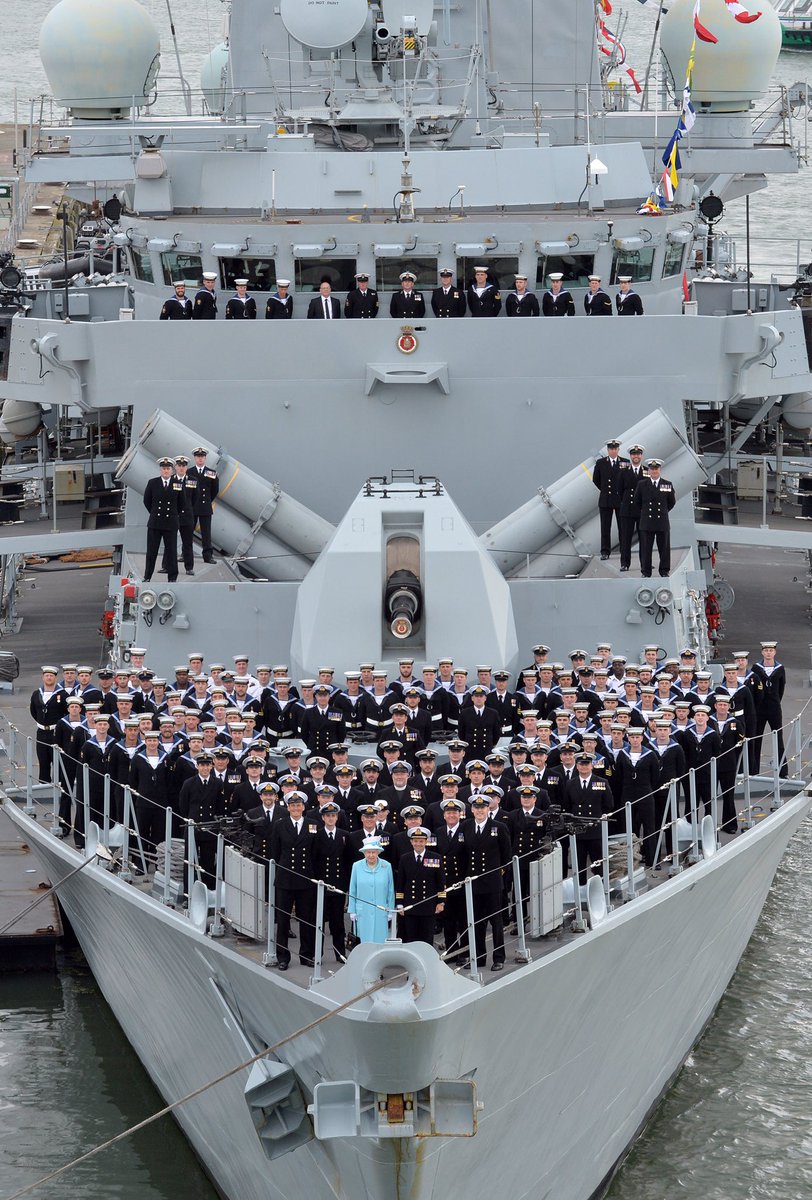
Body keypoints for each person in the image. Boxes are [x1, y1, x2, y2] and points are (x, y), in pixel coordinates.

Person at [462, 795, 511, 971]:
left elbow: (506, 855)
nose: (480, 810)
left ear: (488, 809)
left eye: (483, 807)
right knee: (476, 922)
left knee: (496, 922)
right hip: (474, 882)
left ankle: (499, 957)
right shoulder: (466, 827)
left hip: (492, 883)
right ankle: (479, 957)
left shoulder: (499, 827)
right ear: (472, 809)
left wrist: (500, 875)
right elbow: (463, 855)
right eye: (477, 807)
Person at [270, 791, 318, 969]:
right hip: (285, 879)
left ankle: (306, 955)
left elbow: (314, 852)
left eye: (298, 805)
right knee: (282, 921)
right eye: (292, 805)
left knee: (306, 920)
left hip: (305, 879)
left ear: (303, 807)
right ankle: (283, 957)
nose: (296, 808)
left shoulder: (313, 825)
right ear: (288, 807)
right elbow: (275, 851)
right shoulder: (280, 825)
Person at [396, 827, 445, 946]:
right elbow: (401, 882)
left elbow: (441, 882)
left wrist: (441, 902)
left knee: (427, 939)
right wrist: (400, 903)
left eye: (421, 841)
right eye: (416, 841)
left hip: (428, 905)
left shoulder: (435, 857)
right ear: (411, 842)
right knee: (410, 938)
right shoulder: (405, 858)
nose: (418, 843)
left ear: (426, 841)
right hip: (410, 905)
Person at [749, 640, 787, 777]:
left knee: (778, 739)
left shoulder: (780, 669)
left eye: (771, 650)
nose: (768, 653)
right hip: (759, 709)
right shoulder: (756, 668)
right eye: (766, 650)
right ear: (762, 652)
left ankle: (783, 771)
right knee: (756, 739)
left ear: (775, 652)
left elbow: (781, 688)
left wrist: (775, 701)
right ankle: (754, 771)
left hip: (774, 709)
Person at [634, 458, 676, 578]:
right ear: (649, 470)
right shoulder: (642, 484)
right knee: (646, 549)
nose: (654, 471)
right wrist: (645, 512)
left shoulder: (667, 484)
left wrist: (663, 511)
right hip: (647, 522)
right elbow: (637, 502)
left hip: (662, 521)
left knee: (664, 549)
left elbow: (671, 502)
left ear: (659, 470)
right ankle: (646, 572)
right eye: (652, 469)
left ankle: (664, 571)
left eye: (656, 469)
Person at [348, 837, 395, 943]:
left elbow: (390, 890)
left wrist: (390, 910)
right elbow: (352, 889)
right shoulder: (356, 866)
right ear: (364, 853)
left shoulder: (386, 866)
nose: (371, 855)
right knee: (363, 942)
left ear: (378, 852)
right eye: (368, 852)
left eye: (373, 852)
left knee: (380, 941)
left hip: (381, 910)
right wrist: (352, 910)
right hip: (362, 912)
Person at [142, 457, 182, 583]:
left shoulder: (177, 484)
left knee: (171, 552)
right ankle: (147, 576)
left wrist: (173, 514)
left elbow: (182, 503)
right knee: (151, 552)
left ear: (172, 470)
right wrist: (154, 513)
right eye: (164, 468)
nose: (166, 471)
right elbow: (147, 501)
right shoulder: (152, 483)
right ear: (160, 470)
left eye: (168, 469)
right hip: (155, 523)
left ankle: (172, 577)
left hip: (170, 523)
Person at [592, 438, 628, 561]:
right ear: (608, 450)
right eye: (611, 449)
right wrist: (604, 490)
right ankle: (605, 551)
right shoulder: (601, 463)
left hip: (620, 500)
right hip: (606, 500)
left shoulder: (625, 463)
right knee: (605, 527)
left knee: (622, 527)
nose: (613, 451)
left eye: (615, 448)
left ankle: (624, 551)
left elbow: (628, 480)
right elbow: (596, 479)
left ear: (618, 450)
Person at [30, 665, 66, 783]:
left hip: (56, 732)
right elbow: (33, 711)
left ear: (55, 678)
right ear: (43, 677)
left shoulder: (63, 694)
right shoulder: (37, 694)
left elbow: (65, 713)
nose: (49, 678)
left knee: (58, 762)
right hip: (41, 733)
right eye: (47, 676)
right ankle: (43, 787)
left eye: (51, 676)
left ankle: (60, 789)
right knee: (43, 762)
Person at [188, 446, 219, 565]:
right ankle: (186, 555)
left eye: (202, 457)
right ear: (195, 458)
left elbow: (215, 490)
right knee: (188, 532)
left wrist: (207, 501)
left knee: (206, 533)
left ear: (205, 458)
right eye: (198, 457)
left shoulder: (211, 473)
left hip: (205, 506)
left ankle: (208, 556)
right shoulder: (189, 472)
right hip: (192, 506)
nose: (200, 459)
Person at [618, 443, 646, 572]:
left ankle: (645, 563)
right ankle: (625, 563)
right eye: (634, 454)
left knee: (645, 538)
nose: (636, 456)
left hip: (641, 510)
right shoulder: (623, 471)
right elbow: (619, 489)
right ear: (630, 456)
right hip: (627, 509)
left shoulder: (647, 471)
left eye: (638, 454)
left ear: (641, 456)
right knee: (625, 539)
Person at [170, 454, 197, 576]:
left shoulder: (192, 480)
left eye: (184, 466)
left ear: (186, 467)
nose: (181, 468)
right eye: (179, 465)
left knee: (187, 543)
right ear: (175, 467)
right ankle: (167, 566)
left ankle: (189, 567)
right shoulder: (170, 480)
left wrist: (188, 509)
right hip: (173, 516)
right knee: (169, 542)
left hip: (187, 516)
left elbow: (195, 499)